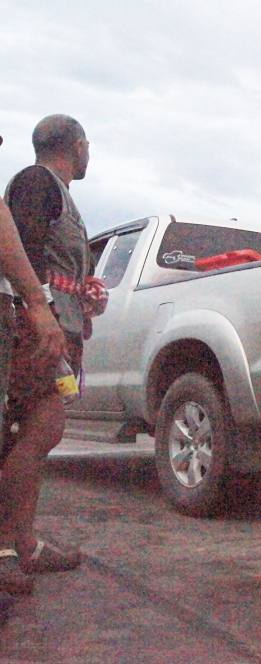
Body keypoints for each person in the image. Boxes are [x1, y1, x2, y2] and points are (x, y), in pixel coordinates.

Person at [0, 116, 105, 596]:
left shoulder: (56, 192)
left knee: (39, 427)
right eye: (88, 146)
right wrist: (37, 314)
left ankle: (23, 543)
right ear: (78, 145)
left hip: (52, 326)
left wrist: (83, 291)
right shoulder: (37, 182)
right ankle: (9, 544)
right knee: (36, 427)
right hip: (34, 330)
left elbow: (51, 263)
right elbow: (20, 249)